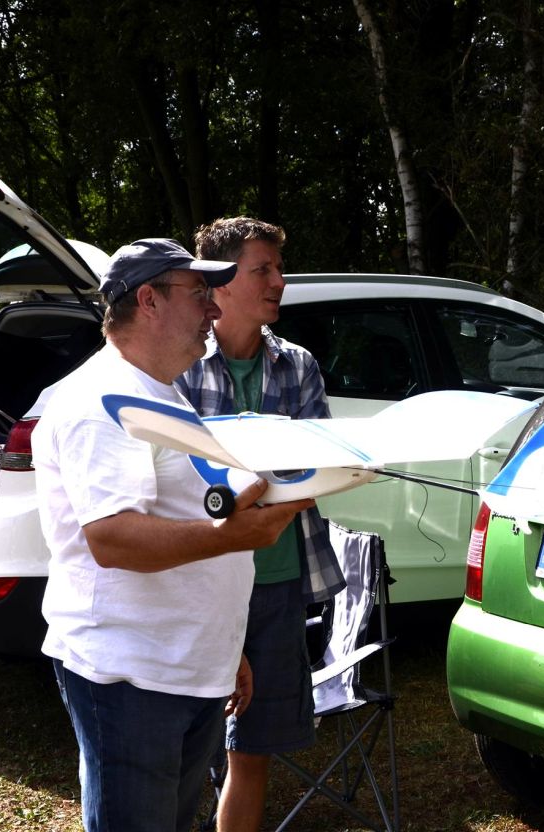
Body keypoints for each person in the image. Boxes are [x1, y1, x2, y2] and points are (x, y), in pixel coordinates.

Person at [34, 238, 313, 832]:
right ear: (149, 300)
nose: (213, 308)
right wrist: (234, 536)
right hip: (130, 673)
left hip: (180, 664)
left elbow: (182, 509)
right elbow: (112, 539)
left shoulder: (161, 391)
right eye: (199, 293)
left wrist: (224, 645)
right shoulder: (99, 400)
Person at [176, 217, 344, 832]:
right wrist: (272, 477)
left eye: (279, 268)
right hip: (196, 582)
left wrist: (256, 486)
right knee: (188, 748)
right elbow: (173, 486)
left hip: (277, 582)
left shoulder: (298, 365)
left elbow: (319, 469)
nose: (279, 281)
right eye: (263, 270)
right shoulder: (179, 367)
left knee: (252, 751)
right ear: (220, 281)